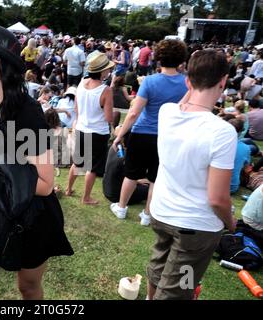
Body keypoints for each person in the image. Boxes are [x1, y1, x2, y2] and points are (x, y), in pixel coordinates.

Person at [0, 23, 73, 300]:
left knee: (28, 287)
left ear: (5, 65)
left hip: (29, 215)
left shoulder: (28, 113)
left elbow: (45, 184)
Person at [146, 49, 237, 300]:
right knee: (183, 284)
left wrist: (193, 79)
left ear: (188, 81)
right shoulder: (222, 132)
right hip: (195, 228)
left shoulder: (167, 113)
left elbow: (185, 102)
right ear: (223, 82)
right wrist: (230, 224)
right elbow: (217, 199)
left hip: (162, 213)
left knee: (158, 269)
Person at [111, 39, 188, 226]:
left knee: (131, 173)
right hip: (167, 135)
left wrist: (120, 135)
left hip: (142, 133)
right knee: (156, 177)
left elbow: (134, 112)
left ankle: (121, 207)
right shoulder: (187, 83)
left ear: (159, 58)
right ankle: (147, 214)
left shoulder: (150, 81)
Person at [65, 53, 115, 205]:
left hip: (82, 128)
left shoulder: (81, 83)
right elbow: (109, 118)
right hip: (98, 132)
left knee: (78, 162)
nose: (109, 72)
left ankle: (68, 189)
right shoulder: (105, 90)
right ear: (101, 71)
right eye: (107, 69)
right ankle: (86, 197)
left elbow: (76, 108)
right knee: (92, 168)